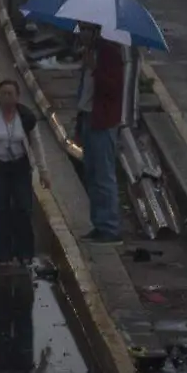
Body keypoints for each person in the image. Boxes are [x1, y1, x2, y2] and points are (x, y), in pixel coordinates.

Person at [0, 79, 48, 270]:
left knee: (23, 208)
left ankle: (24, 252)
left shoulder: (25, 117)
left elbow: (37, 144)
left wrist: (43, 171)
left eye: (11, 94)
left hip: (20, 166)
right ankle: (2, 254)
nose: (7, 98)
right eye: (3, 94)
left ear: (17, 97)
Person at [76, 22, 126, 244]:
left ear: (96, 31)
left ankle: (109, 228)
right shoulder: (88, 52)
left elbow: (114, 88)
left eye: (87, 29)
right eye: (81, 28)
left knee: (104, 176)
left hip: (103, 122)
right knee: (92, 174)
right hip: (88, 117)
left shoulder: (109, 54)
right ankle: (98, 223)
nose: (82, 33)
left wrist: (95, 68)